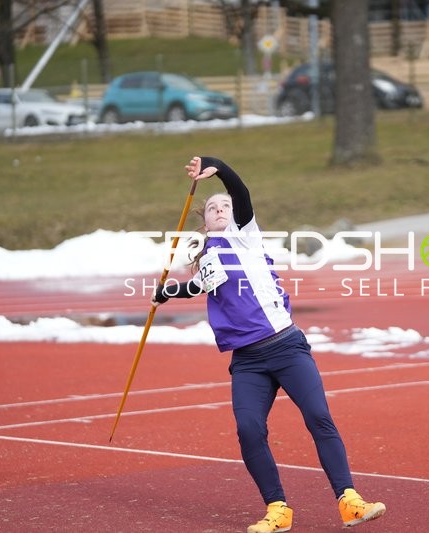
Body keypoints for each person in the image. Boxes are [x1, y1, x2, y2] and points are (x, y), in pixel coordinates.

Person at [152, 156, 386, 533]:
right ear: (205, 221)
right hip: (247, 360)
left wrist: (218, 167)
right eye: (212, 208)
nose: (220, 209)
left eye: (223, 205)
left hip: (286, 346)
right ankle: (278, 509)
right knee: (248, 430)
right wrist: (167, 292)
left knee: (318, 417)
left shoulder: (245, 233)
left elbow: (240, 192)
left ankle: (349, 501)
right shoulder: (208, 256)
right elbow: (198, 287)